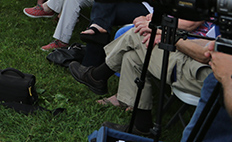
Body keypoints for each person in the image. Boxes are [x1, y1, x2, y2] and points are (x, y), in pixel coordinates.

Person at [69, 19, 214, 136]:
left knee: (136, 35)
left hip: (204, 77)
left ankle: (97, 76)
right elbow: (209, 44)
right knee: (132, 56)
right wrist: (170, 38)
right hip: (198, 67)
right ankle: (141, 126)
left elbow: (205, 54)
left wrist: (170, 38)